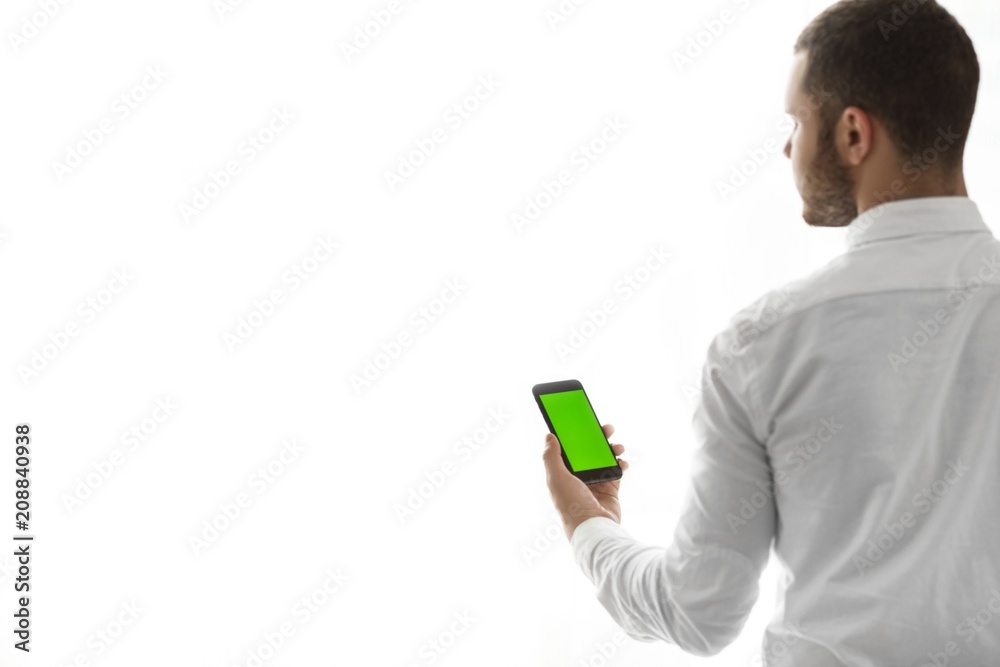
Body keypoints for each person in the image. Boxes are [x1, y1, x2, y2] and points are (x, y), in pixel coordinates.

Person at [542, 1, 1000, 664]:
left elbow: (698, 612)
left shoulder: (763, 344)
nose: (788, 148)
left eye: (797, 121)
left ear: (853, 134)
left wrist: (587, 521)